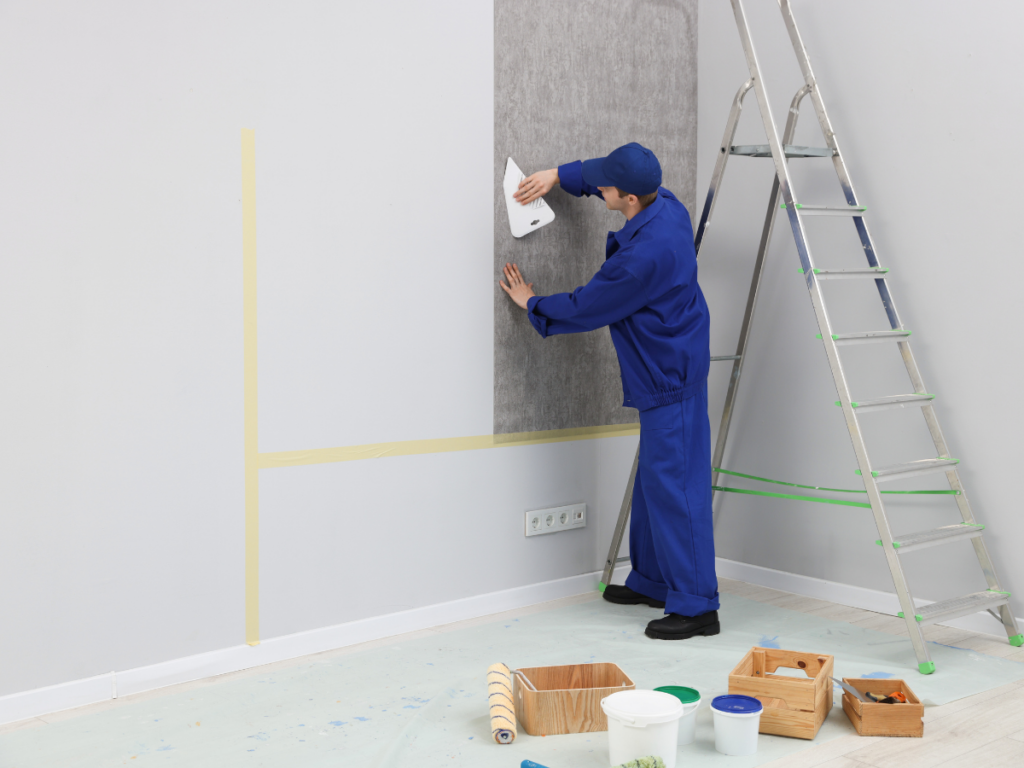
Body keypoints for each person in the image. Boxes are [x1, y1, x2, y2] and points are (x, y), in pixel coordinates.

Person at [499, 142, 719, 640]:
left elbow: (587, 305)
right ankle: (654, 581)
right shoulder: (668, 205)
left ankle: (698, 605)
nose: (599, 190)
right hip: (667, 363)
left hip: (671, 375)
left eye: (605, 191)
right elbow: (611, 171)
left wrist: (531, 301)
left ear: (630, 200)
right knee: (653, 485)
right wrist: (559, 174)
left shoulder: (644, 257)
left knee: (677, 489)